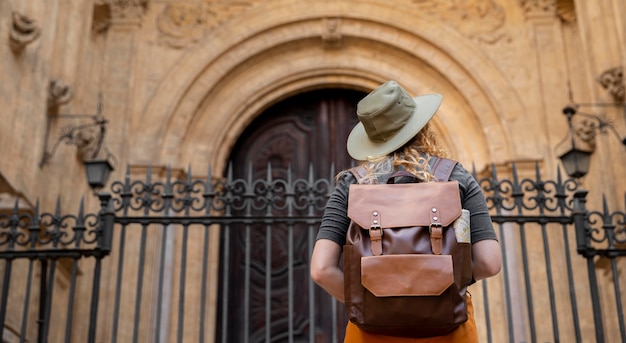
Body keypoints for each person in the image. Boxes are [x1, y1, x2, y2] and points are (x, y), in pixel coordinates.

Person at [310, 80, 502, 342]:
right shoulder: (456, 177)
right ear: (421, 128)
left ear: (372, 139)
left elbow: (321, 269)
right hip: (449, 328)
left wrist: (371, 300)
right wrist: (440, 287)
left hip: (370, 332)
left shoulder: (352, 183)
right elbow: (489, 263)